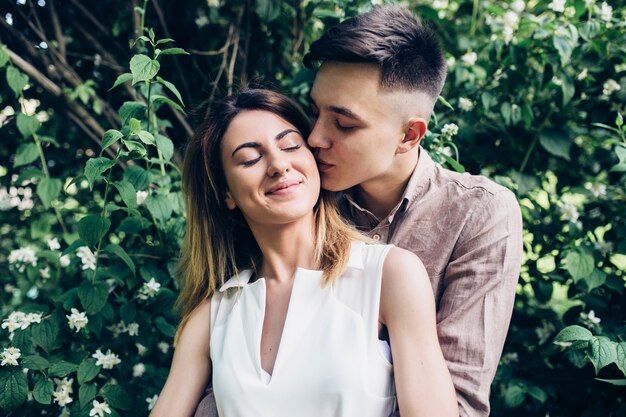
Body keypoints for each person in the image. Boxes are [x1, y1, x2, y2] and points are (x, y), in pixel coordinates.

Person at [150, 89, 458, 417]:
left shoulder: (389, 274)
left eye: (290, 145)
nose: (279, 165)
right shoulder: (213, 316)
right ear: (226, 193)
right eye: (250, 159)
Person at [303, 5, 523, 417]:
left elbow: (459, 404)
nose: (315, 138)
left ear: (409, 135)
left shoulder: (476, 214)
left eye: (344, 125)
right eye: (314, 112)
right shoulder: (297, 194)